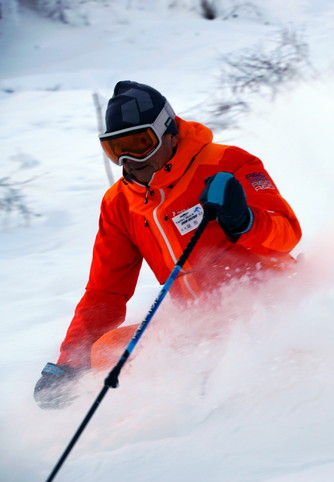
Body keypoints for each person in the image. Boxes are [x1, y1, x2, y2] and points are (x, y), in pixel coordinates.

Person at [33, 81, 302, 409]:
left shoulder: (227, 163)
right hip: (201, 324)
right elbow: (106, 292)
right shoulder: (120, 203)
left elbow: (287, 232)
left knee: (245, 359)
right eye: (116, 149)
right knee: (106, 351)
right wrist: (71, 362)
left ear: (170, 133)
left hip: (270, 304)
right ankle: (147, 426)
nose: (129, 160)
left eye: (140, 144)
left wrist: (243, 220)